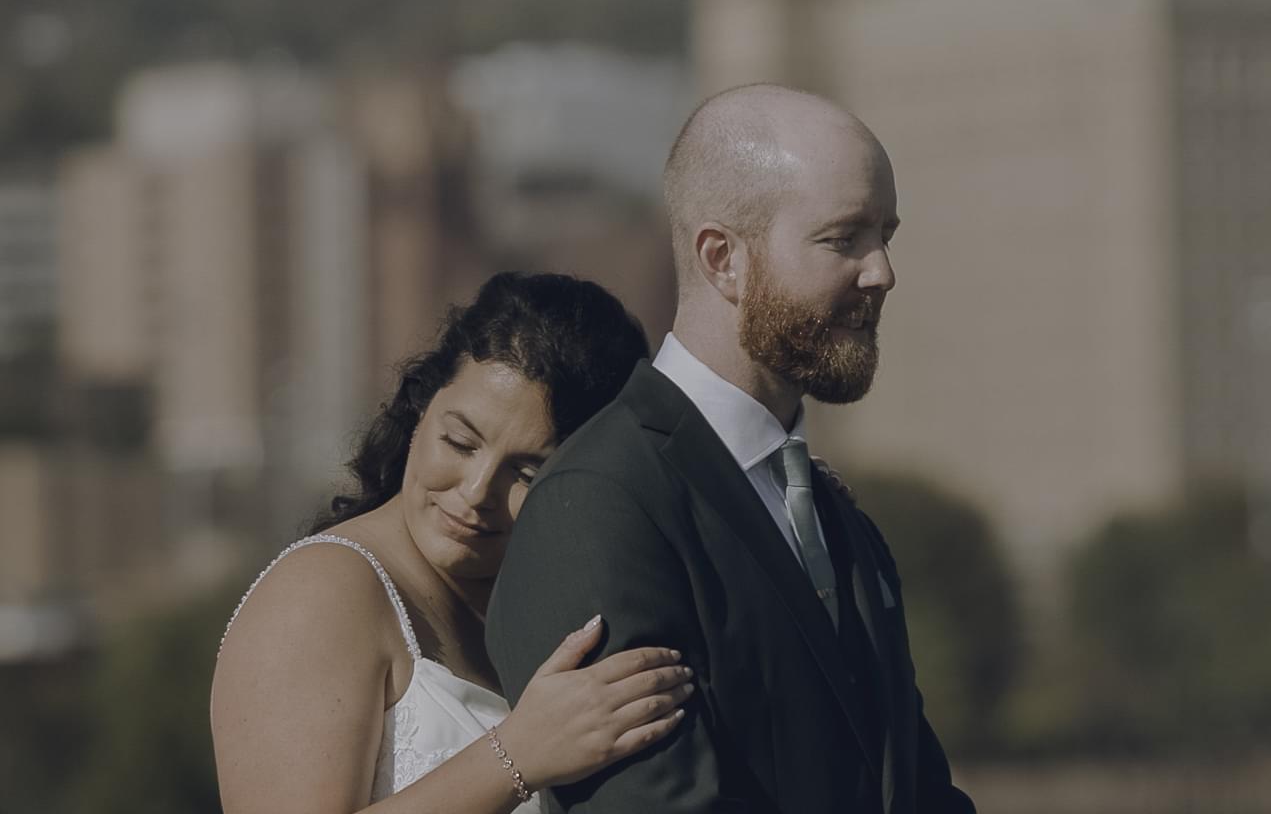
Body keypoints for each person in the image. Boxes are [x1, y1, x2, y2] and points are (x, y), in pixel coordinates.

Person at [486, 84, 974, 814]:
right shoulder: (602, 503)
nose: (882, 273)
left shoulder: (839, 522)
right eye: (844, 238)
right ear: (724, 260)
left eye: (886, 236)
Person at [212, 271, 692, 813]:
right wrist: (516, 754)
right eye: (460, 442)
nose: (477, 491)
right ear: (420, 409)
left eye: (527, 473)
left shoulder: (550, 601)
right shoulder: (321, 594)